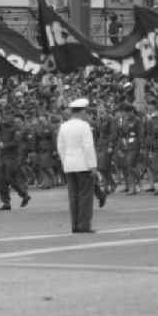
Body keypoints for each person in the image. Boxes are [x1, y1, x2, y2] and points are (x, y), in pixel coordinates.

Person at [56, 98, 99, 234]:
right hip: (83, 164)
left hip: (69, 165)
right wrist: (93, 165)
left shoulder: (63, 126)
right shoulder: (84, 126)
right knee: (85, 196)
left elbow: (60, 147)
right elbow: (88, 147)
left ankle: (75, 225)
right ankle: (84, 225)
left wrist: (65, 162)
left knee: (73, 196)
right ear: (82, 111)